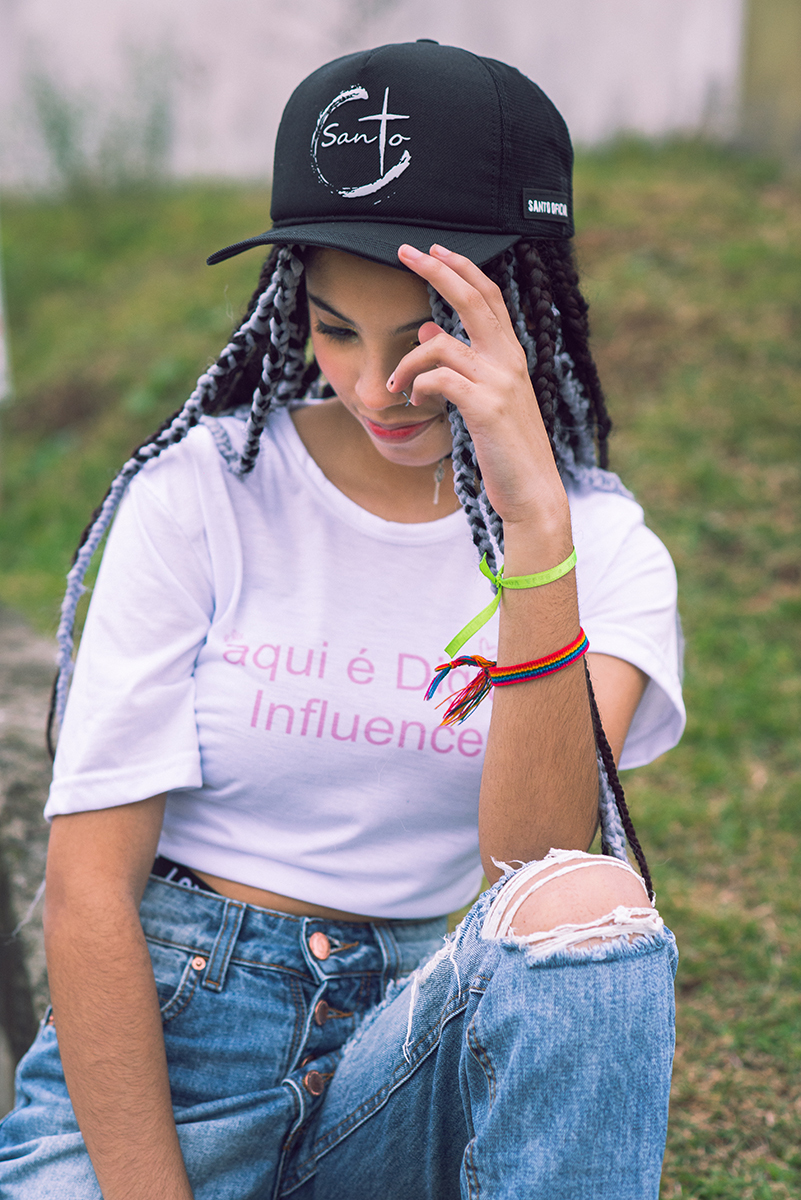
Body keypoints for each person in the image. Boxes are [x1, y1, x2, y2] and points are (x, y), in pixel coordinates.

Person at [0, 40, 684, 1200]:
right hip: (182, 1050)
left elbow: (529, 876)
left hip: (408, 1067)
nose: (375, 389)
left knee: (592, 906)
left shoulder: (599, 549)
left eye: (425, 332)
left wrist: (533, 530)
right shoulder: (200, 497)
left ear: (518, 310)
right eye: (334, 328)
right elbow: (87, 891)